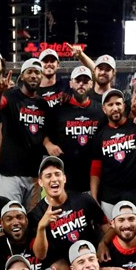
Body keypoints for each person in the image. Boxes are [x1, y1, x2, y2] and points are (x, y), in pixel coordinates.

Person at [28, 156, 112, 270]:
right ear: (41, 182)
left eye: (57, 174)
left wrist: (104, 243)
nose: (54, 179)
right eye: (48, 176)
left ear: (64, 178)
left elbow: (107, 226)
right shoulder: (36, 215)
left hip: (92, 258)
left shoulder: (84, 199)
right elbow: (40, 255)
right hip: (64, 266)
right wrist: (42, 227)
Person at [0, 60, 50, 208]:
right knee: (10, 215)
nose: (33, 76)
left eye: (37, 72)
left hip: (34, 174)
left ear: (41, 76)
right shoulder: (10, 96)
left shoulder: (43, 104)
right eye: (29, 72)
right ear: (22, 76)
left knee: (32, 220)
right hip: (10, 172)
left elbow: (45, 133)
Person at [43, 66, 104, 194]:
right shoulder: (58, 109)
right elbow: (43, 131)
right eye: (78, 80)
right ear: (71, 83)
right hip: (65, 178)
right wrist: (48, 144)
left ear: (92, 84)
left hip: (92, 177)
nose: (81, 84)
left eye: (85, 81)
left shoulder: (100, 111)